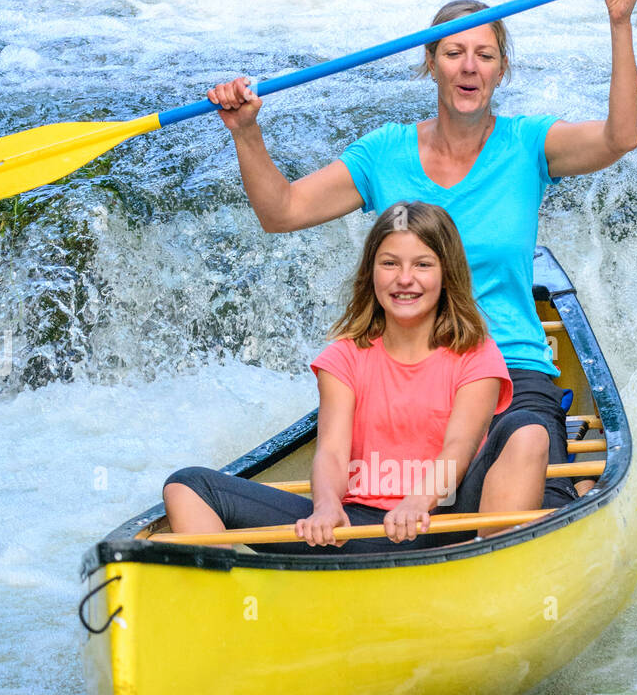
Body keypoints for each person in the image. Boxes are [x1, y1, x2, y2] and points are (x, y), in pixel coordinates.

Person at [205, 0, 637, 511]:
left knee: (521, 457)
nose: (469, 67)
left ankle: (544, 500)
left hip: (511, 364)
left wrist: (620, 22)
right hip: (406, 373)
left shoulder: (528, 143)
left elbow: (619, 137)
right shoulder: (384, 152)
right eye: (454, 53)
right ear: (430, 64)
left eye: (484, 55)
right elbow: (282, 211)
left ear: (500, 69)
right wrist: (246, 133)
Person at [163, 202, 554, 553]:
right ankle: (228, 604)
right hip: (362, 530)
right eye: (390, 263)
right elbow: (332, 451)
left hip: (447, 523)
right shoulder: (343, 356)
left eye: (422, 264)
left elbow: (459, 447)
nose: (405, 279)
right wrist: (327, 507)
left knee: (528, 429)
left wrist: (417, 501)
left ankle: (496, 568)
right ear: (371, 273)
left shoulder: (476, 353)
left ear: (447, 274)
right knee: (188, 486)